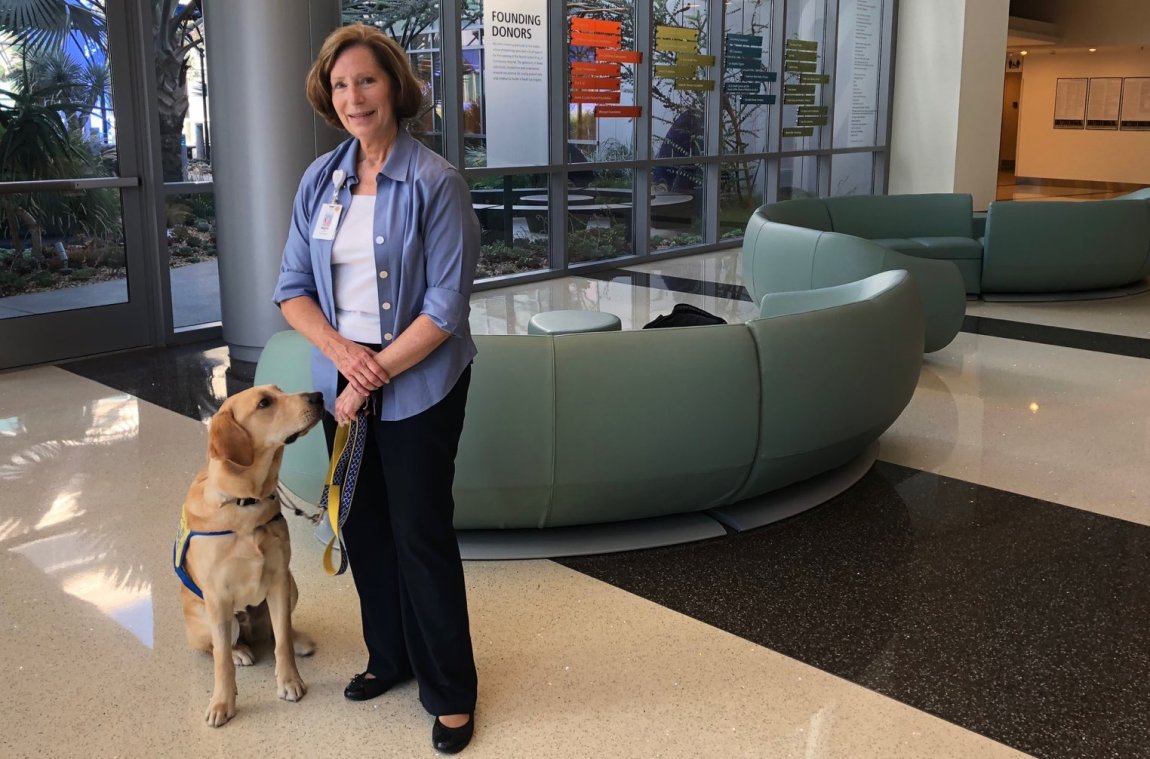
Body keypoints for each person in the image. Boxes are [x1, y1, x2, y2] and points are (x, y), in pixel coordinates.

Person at [273, 23, 480, 755]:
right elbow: (293, 290)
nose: (353, 96)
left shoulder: (435, 182)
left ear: (394, 86)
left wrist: (373, 371)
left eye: (366, 80)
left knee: (419, 534)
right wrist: (342, 359)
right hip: (346, 382)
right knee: (363, 527)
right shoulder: (320, 181)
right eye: (339, 85)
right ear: (327, 99)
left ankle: (450, 690)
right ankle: (388, 658)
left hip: (421, 381)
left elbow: (446, 307)